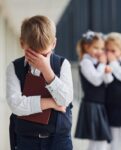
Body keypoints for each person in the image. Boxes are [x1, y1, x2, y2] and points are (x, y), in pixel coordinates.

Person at [6, 15, 73, 150]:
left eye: (44, 55)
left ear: (53, 44)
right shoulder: (14, 67)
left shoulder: (62, 64)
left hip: (58, 139)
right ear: (22, 43)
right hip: (26, 139)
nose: (39, 60)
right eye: (32, 54)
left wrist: (47, 70)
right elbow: (16, 105)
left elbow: (65, 99)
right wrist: (52, 103)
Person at [75, 31, 112, 150]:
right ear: (86, 47)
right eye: (96, 48)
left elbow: (107, 81)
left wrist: (106, 71)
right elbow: (96, 80)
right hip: (92, 104)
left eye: (102, 48)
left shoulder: (95, 63)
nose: (100, 51)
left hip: (99, 104)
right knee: (99, 141)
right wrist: (102, 64)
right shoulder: (85, 62)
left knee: (98, 141)